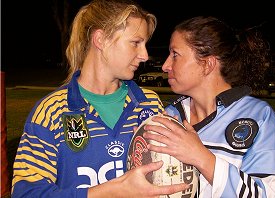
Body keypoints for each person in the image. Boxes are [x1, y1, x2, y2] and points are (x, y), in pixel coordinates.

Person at [11, 0, 189, 197]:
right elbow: (26, 193)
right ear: (101, 39)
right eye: (136, 43)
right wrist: (110, 191)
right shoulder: (51, 111)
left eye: (145, 44)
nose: (145, 55)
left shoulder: (149, 103)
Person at [143, 16, 275, 197]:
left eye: (175, 55)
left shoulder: (259, 118)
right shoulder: (168, 117)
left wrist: (202, 158)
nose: (165, 66)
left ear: (207, 64)